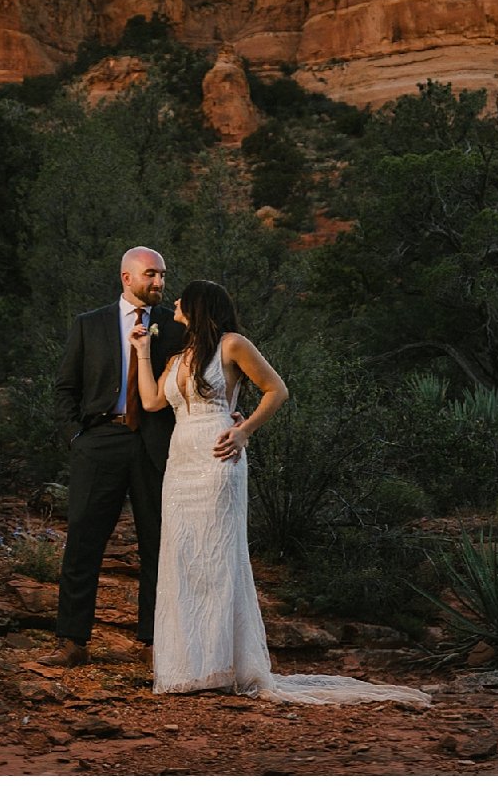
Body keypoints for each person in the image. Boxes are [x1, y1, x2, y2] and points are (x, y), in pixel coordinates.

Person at [129, 279, 431, 706]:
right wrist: (142, 353)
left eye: (182, 298)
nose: (174, 301)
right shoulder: (178, 357)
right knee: (183, 556)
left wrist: (244, 430)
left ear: (198, 306)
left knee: (217, 556)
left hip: (219, 457)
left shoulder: (232, 345)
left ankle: (224, 664)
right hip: (181, 464)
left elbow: (277, 390)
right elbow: (153, 402)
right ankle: (188, 666)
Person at [50, 246, 238, 666]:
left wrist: (232, 408)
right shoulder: (89, 325)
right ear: (127, 277)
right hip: (100, 441)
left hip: (160, 446)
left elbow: (208, 373)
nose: (159, 283)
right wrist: (75, 438)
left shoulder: (177, 327)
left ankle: (156, 642)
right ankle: (71, 641)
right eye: (151, 275)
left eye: (163, 275)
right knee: (83, 540)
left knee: (160, 544)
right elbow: (65, 387)